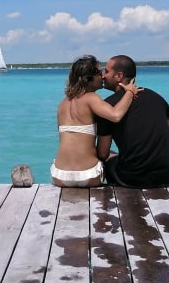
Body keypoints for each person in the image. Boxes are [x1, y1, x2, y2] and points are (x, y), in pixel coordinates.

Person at [96, 55, 169, 187]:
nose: (102, 75)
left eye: (106, 71)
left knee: (105, 156)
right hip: (166, 173)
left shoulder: (107, 106)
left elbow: (102, 153)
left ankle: (115, 192)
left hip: (130, 179)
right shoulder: (156, 98)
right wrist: (159, 159)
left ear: (119, 76)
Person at [50, 55, 142, 187]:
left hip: (59, 175)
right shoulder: (91, 98)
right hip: (88, 175)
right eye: (99, 73)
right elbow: (116, 115)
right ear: (89, 78)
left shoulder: (62, 104)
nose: (103, 76)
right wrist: (130, 92)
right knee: (110, 156)